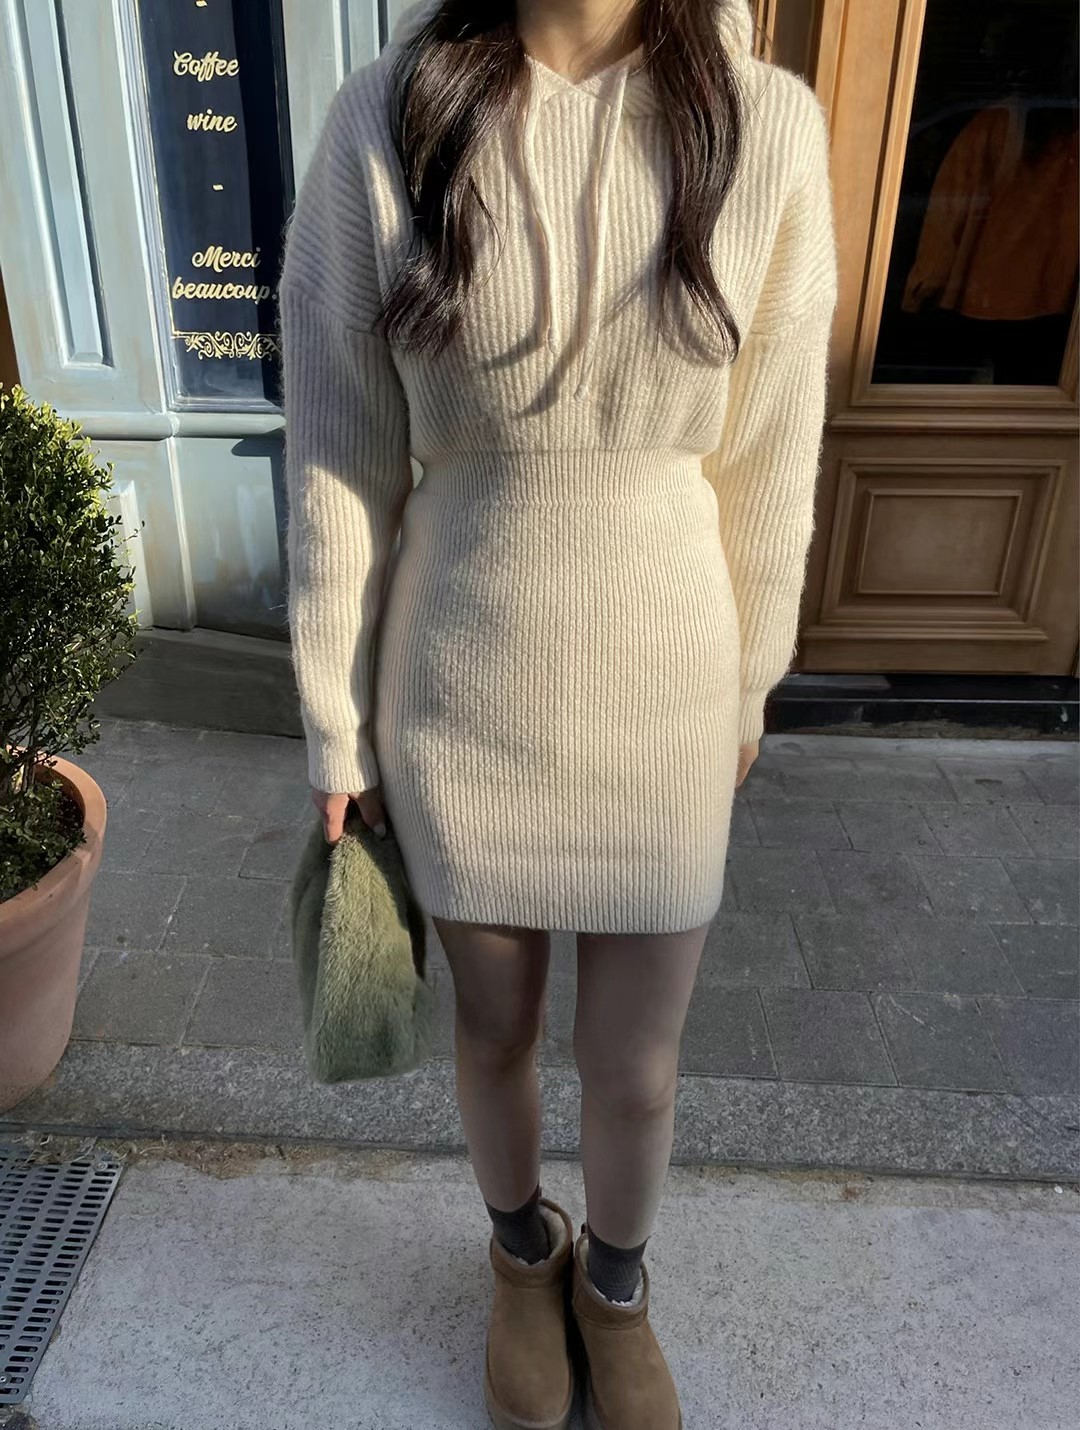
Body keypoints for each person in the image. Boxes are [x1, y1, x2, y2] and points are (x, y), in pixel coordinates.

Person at [278, 0, 838, 1425]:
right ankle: (523, 1255)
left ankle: (619, 1288)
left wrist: (752, 676)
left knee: (636, 1068)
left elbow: (775, 443)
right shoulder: (386, 118)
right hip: (459, 686)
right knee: (494, 1030)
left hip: (666, 682)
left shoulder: (766, 126)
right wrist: (336, 719)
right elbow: (339, 450)